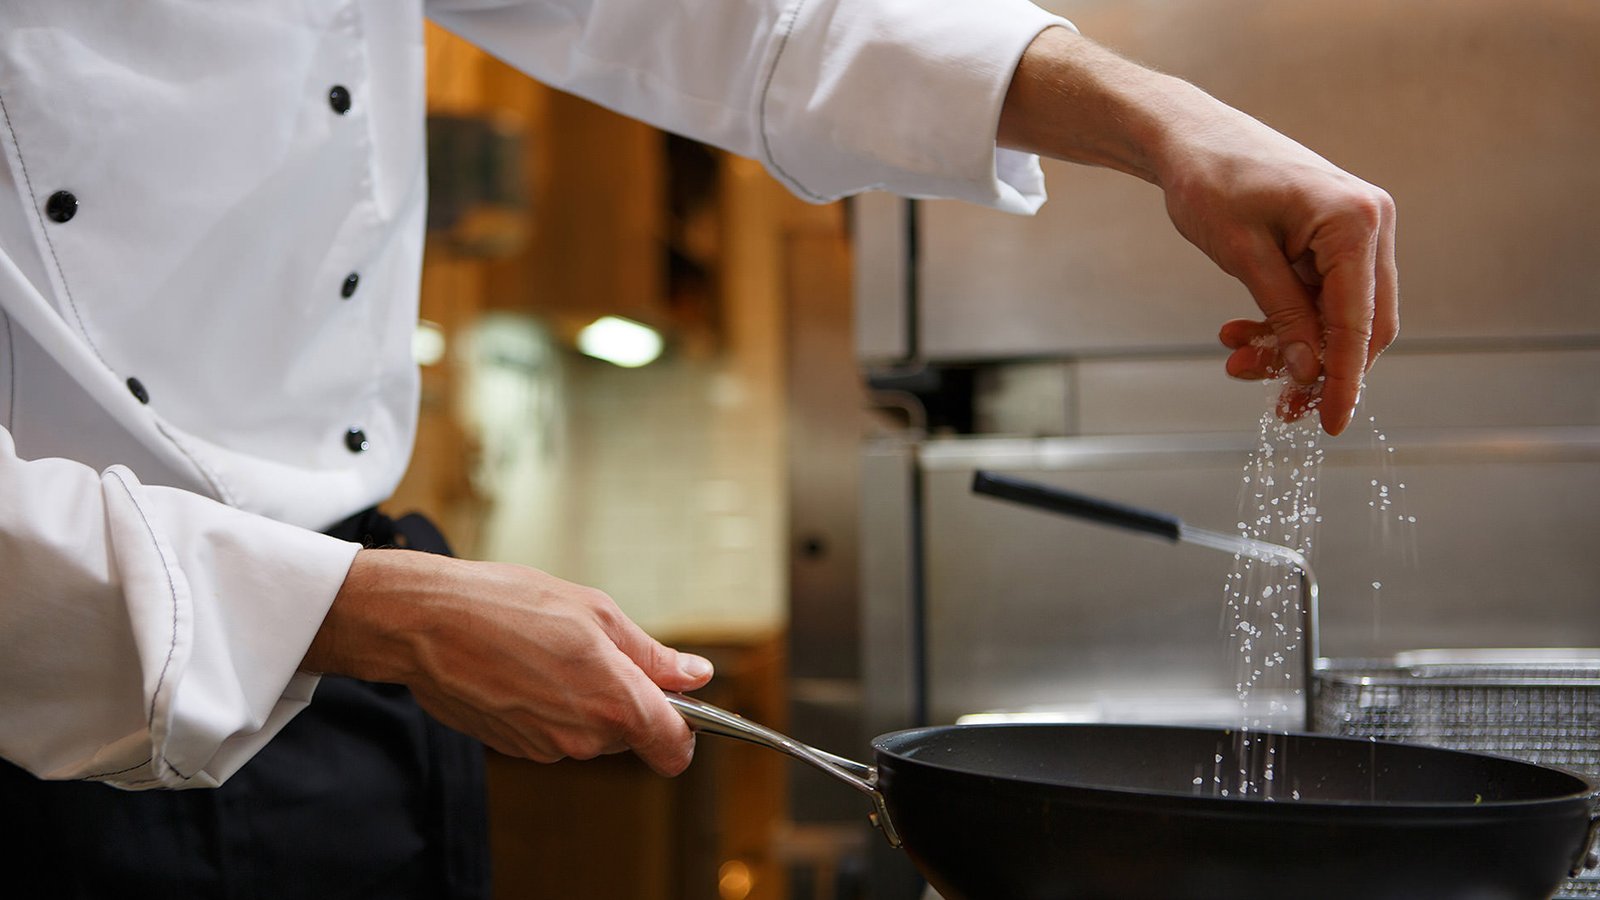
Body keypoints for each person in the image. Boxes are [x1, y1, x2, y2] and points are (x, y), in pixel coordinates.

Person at [0, 1, 1397, 897]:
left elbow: (742, 16)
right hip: (55, 716)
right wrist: (371, 613)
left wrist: (1163, 119)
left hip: (343, 714)